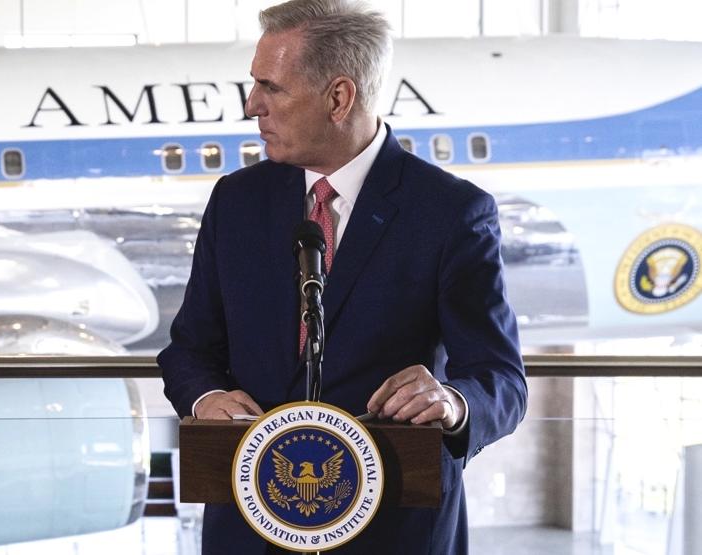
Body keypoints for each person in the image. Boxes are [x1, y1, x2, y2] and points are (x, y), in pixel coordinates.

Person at [157, 1, 528, 553]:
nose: (251, 104)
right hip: (251, 526)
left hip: (393, 528)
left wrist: (452, 402)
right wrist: (206, 396)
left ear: (338, 97)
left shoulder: (450, 212)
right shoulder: (236, 201)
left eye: (271, 87)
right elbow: (189, 350)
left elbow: (501, 380)